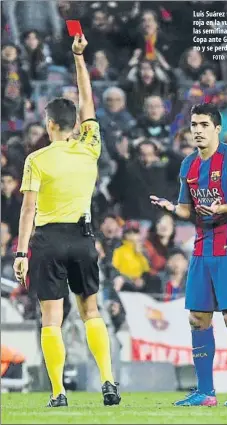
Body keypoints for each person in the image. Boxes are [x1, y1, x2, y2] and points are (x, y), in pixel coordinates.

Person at [13, 34, 121, 408]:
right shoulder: (90, 146)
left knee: (51, 319)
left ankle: (58, 392)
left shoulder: (37, 160)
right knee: (91, 310)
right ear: (75, 123)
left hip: (47, 239)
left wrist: (21, 251)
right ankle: (108, 380)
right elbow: (88, 99)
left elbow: (28, 209)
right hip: (83, 237)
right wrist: (79, 58)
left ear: (47, 122)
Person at [150, 103, 227, 407]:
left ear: (217, 128)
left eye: (203, 125)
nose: (197, 130)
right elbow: (187, 209)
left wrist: (222, 208)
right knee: (198, 318)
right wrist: (171, 208)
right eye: (194, 125)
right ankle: (205, 392)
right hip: (201, 248)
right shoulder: (188, 165)